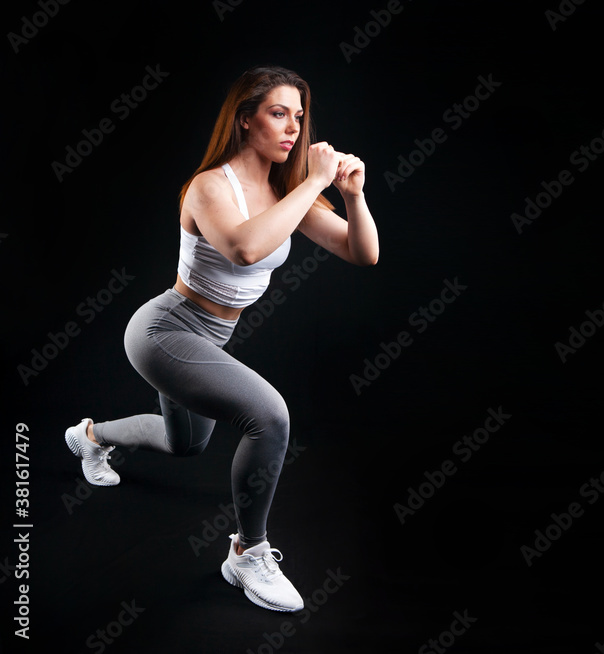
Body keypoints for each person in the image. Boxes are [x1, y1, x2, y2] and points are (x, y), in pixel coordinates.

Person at [63, 65, 378, 612]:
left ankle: (90, 436)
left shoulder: (285, 190)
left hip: (209, 341)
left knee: (185, 443)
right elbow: (244, 249)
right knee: (271, 417)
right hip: (164, 330)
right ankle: (246, 552)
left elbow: (362, 252)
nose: (293, 130)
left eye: (299, 117)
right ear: (243, 119)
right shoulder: (211, 186)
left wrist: (352, 195)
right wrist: (314, 181)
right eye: (278, 114)